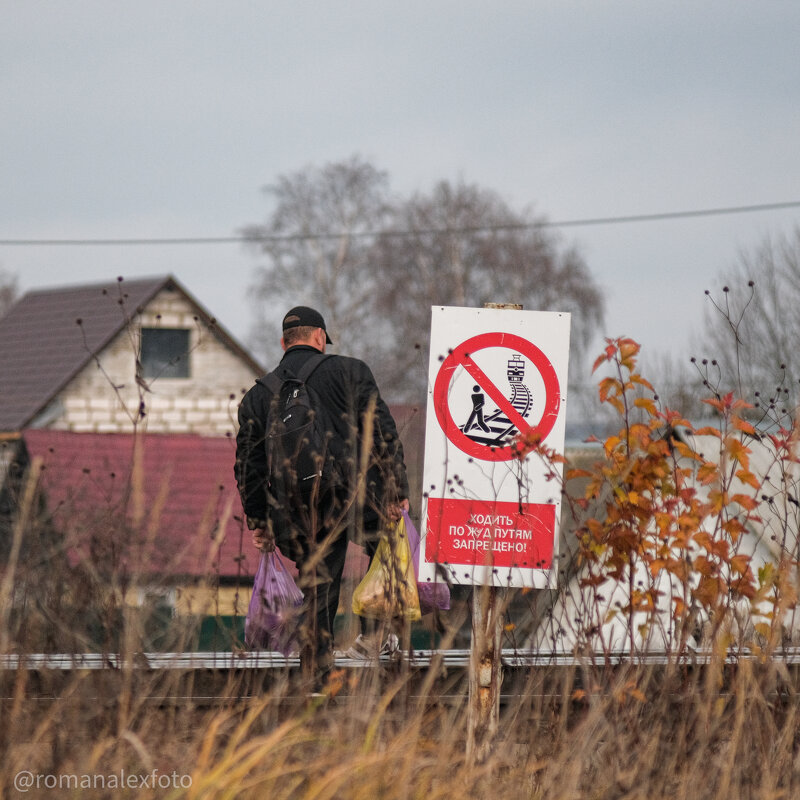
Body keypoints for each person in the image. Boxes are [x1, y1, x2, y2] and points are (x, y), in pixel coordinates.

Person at [234, 305, 410, 691]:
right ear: (319, 338)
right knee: (386, 550)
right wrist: (397, 490)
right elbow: (383, 431)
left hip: (296, 509)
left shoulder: (257, 397)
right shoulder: (350, 371)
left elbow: (249, 466)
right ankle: (373, 635)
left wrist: (259, 521)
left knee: (319, 581)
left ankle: (316, 675)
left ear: (283, 343)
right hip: (359, 497)